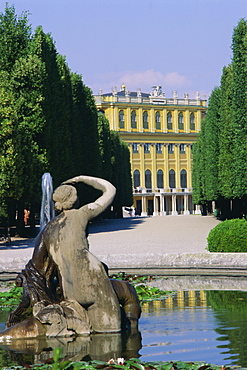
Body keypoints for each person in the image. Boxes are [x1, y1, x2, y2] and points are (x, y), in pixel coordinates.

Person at [7, 175, 121, 333]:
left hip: (69, 291)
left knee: (84, 336)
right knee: (110, 334)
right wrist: (82, 178)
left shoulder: (48, 229)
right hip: (92, 281)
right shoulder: (82, 214)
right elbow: (110, 190)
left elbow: (36, 265)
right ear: (75, 200)